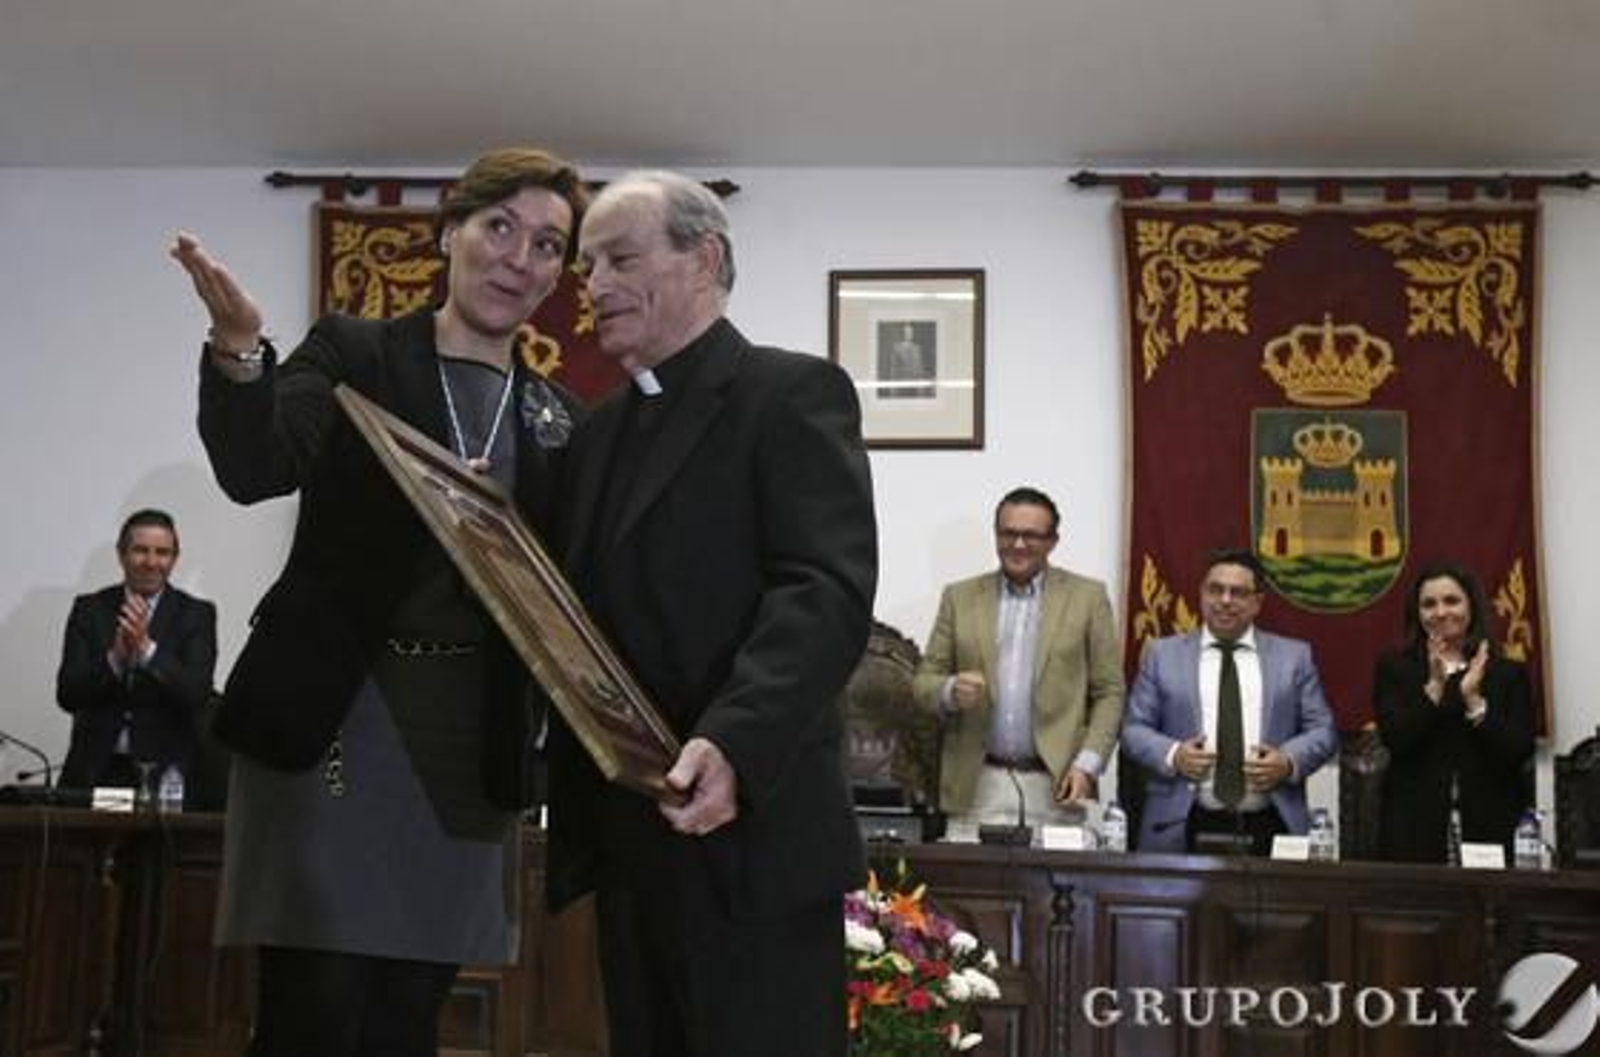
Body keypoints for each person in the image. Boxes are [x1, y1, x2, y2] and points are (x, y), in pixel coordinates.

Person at [170, 146, 587, 1057]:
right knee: (316, 1009)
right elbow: (256, 468)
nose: (521, 257)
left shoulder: (560, 420)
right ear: (450, 233)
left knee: (406, 1017)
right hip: (335, 725)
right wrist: (240, 351)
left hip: (468, 752)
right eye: (501, 227)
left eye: (549, 245)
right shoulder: (356, 350)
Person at [545, 170, 878, 1057]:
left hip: (752, 834)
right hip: (631, 843)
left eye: (620, 258)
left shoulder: (793, 393)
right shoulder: (596, 433)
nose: (596, 287)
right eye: (587, 270)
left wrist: (733, 738)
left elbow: (825, 589)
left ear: (707, 258)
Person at [913, 486, 1124, 827]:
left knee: (1056, 881)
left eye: (1031, 535)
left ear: (1053, 541)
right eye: (1008, 533)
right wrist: (951, 690)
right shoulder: (959, 597)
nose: (1018, 544)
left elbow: (1110, 693)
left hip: (1058, 785)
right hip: (977, 785)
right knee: (970, 881)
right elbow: (924, 683)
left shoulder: (1088, 598)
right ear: (996, 535)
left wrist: (1087, 765)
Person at [1120, 548, 1337, 855]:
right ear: (1201, 594)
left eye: (1238, 593)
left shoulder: (1294, 657)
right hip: (1181, 821)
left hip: (1271, 821)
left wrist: (1287, 762)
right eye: (1215, 590)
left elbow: (1324, 731)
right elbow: (1133, 729)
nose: (1224, 600)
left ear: (1257, 602)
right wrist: (1174, 754)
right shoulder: (1162, 655)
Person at [1374, 562, 1534, 863]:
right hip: (1412, 830)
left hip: (1492, 826)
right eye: (1429, 604)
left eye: (1452, 601)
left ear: (1471, 606)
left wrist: (1474, 701)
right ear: (1417, 613)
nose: (1440, 612)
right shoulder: (1395, 668)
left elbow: (1518, 750)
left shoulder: (1507, 673)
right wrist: (1434, 687)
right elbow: (1397, 739)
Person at [56, 508, 217, 792]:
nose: (151, 562)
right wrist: (115, 660)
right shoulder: (90, 610)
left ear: (175, 559)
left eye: (162, 552)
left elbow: (197, 692)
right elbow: (68, 694)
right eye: (140, 550)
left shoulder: (196, 614)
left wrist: (147, 651)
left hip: (167, 778)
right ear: (121, 555)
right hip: (95, 772)